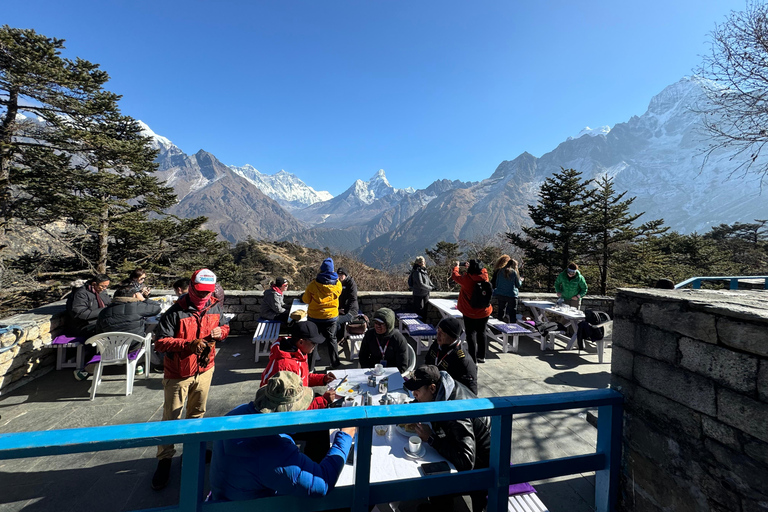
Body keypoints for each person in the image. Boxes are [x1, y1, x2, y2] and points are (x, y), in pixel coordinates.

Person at [209, 371, 356, 502]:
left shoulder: (238, 413)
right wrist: (345, 436)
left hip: (225, 495)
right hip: (253, 505)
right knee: (350, 498)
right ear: (288, 411)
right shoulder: (272, 450)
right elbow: (321, 485)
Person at [151, 268, 230, 491]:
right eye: (200, 291)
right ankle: (164, 459)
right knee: (171, 416)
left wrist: (220, 333)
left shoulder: (215, 305)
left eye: (208, 291)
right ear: (191, 286)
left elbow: (225, 327)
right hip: (178, 372)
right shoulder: (175, 312)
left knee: (197, 412)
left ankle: (192, 450)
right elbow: (160, 342)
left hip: (205, 368)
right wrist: (187, 344)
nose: (204, 296)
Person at [406, 365, 491, 512]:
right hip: (473, 450)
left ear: (432, 388)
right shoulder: (445, 389)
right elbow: (424, 400)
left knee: (433, 477)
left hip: (485, 465)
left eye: (417, 391)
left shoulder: (457, 411)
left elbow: (466, 461)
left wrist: (432, 438)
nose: (414, 394)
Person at [260, 321, 337, 410]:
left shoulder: (298, 354)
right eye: (313, 343)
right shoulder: (285, 367)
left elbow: (302, 378)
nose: (315, 346)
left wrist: (323, 379)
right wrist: (323, 401)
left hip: (298, 397)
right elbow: (291, 408)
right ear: (301, 342)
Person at [302, 258, 342, 369]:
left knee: (313, 341)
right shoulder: (337, 284)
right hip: (331, 318)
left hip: (315, 318)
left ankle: (310, 368)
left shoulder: (313, 285)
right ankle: (335, 364)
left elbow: (306, 300)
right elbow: (339, 294)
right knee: (332, 339)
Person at [451, 260, 493, 364]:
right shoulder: (485, 276)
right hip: (484, 311)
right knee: (482, 332)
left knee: (470, 334)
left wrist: (456, 267)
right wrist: (473, 267)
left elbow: (455, 276)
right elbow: (483, 270)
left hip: (470, 311)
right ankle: (481, 356)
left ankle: (473, 359)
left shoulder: (467, 279)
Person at [425, 317, 477, 394]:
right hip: (433, 387)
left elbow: (471, 393)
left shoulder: (463, 361)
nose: (438, 335)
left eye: (442, 333)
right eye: (438, 330)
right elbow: (427, 362)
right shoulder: (437, 344)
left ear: (452, 337)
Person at [358, 307, 410, 373]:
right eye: (375, 322)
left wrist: (386, 376)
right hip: (373, 371)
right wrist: (369, 371)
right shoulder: (370, 334)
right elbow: (363, 356)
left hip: (391, 373)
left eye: (380, 324)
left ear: (389, 325)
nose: (377, 326)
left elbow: (402, 366)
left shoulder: (399, 339)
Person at [97, 284, 162, 336]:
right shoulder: (137, 307)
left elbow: (99, 330)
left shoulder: (104, 311)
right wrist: (143, 299)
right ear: (134, 295)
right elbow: (157, 307)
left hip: (111, 346)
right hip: (134, 345)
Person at [491, 255, 523, 323]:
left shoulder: (500, 271)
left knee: (501, 311)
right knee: (512, 313)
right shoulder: (513, 272)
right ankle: (513, 328)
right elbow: (518, 285)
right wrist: (521, 280)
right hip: (511, 295)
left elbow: (497, 283)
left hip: (500, 293)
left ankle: (499, 327)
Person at [335, 267, 359, 341]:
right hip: (339, 309)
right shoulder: (337, 283)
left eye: (341, 275)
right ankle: (338, 336)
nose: (339, 276)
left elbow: (353, 299)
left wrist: (345, 310)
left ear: (345, 275)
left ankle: (337, 338)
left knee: (335, 321)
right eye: (338, 274)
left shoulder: (351, 284)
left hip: (351, 312)